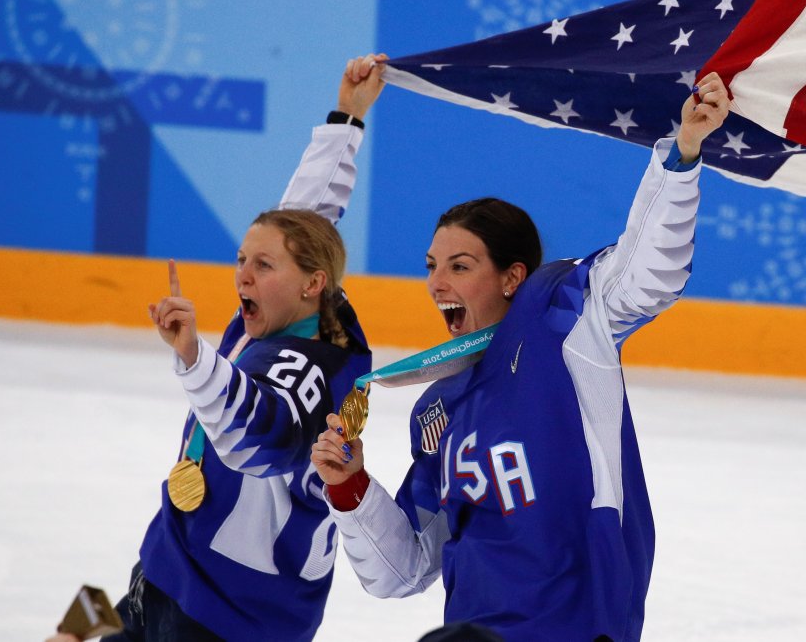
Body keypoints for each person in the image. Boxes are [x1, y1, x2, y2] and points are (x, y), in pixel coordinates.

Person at [311, 72, 730, 641]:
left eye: (460, 266)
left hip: (577, 627)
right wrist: (349, 486)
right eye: (432, 266)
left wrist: (680, 159)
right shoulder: (438, 407)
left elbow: (649, 272)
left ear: (513, 278)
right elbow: (403, 570)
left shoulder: (567, 323)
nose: (437, 283)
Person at [48, 54, 386, 642]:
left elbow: (256, 439)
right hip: (170, 566)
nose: (243, 277)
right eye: (241, 260)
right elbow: (306, 216)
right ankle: (89, 621)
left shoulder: (315, 372)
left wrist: (194, 360)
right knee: (82, 629)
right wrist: (346, 118)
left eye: (262, 265)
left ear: (312, 283)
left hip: (232, 617)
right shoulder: (291, 305)